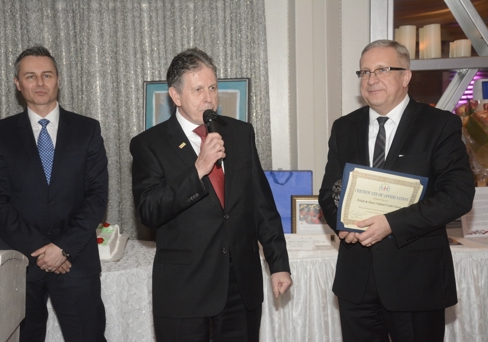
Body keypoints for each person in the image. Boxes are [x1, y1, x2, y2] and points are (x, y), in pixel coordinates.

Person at [130, 47, 292, 341]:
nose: (209, 97)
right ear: (176, 96)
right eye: (198, 89)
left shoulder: (240, 133)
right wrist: (198, 170)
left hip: (240, 286)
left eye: (213, 87)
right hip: (185, 290)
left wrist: (278, 264)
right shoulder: (149, 144)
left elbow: (261, 205)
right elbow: (149, 211)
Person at [318, 39, 475, 342]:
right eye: (364, 72)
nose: (371, 79)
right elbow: (329, 191)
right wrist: (341, 223)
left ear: (405, 77)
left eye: (382, 70)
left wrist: (392, 224)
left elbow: (458, 195)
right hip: (357, 281)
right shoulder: (344, 128)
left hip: (416, 280)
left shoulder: (440, 125)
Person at [0, 45, 108, 342]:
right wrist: (44, 249)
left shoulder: (87, 130)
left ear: (58, 80)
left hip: (76, 261)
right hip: (21, 264)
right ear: (17, 83)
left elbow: (97, 197)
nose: (39, 83)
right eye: (30, 76)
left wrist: (63, 248)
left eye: (47, 75)